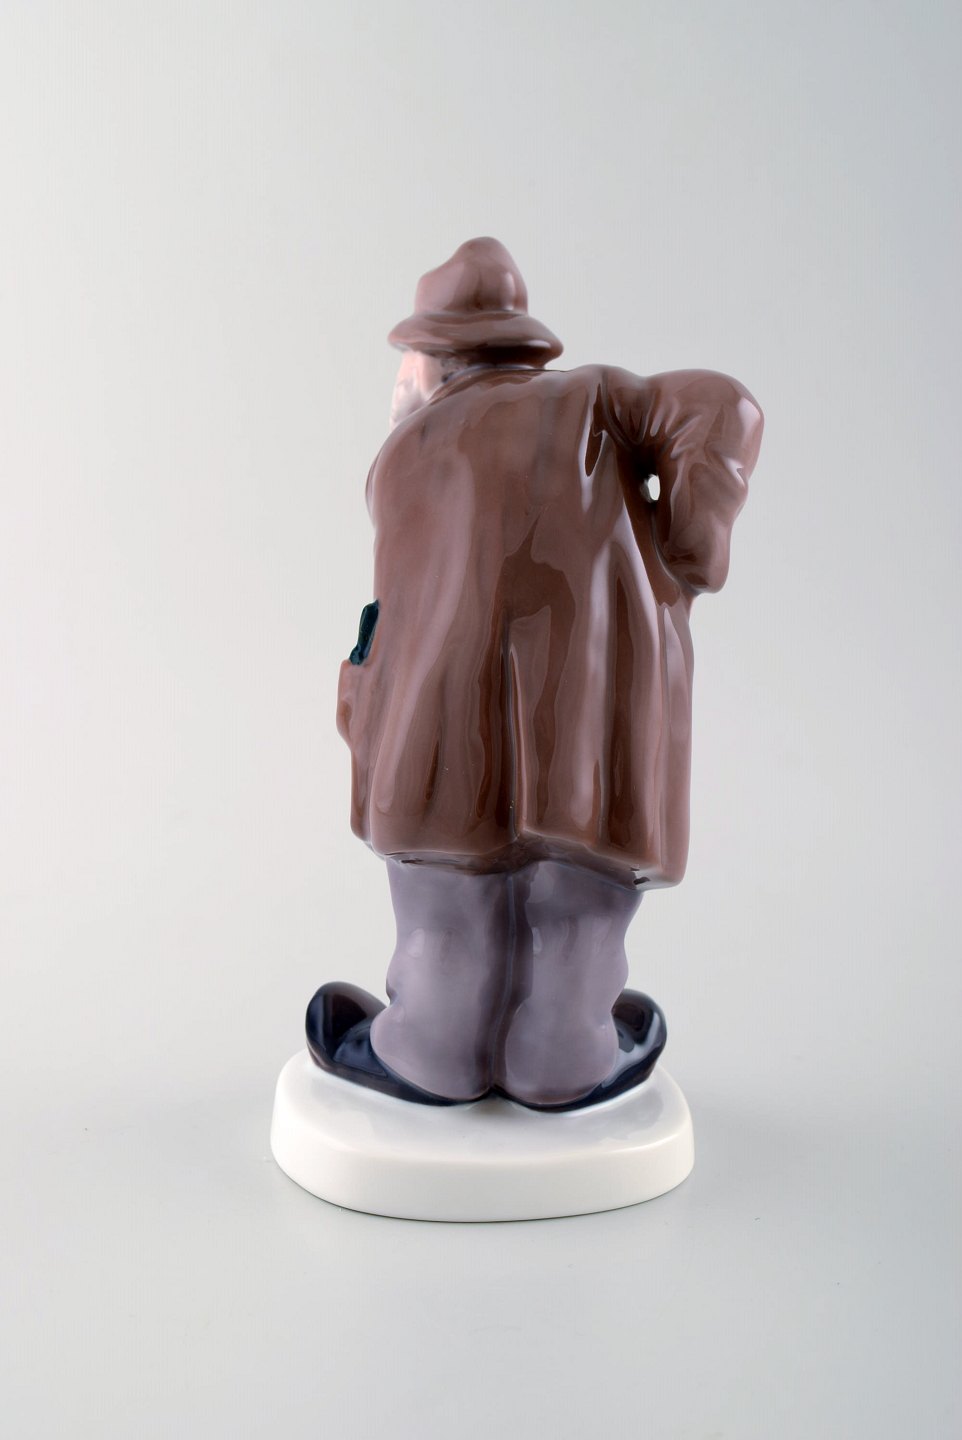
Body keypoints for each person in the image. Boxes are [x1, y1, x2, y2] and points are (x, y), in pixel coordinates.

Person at [307, 237, 764, 1110]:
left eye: (409, 356)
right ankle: (565, 1051)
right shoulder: (596, 402)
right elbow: (721, 405)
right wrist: (689, 546)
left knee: (448, 902)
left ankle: (431, 1049)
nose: (400, 378)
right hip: (593, 719)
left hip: (440, 731)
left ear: (438, 360)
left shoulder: (409, 453)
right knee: (576, 898)